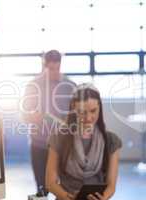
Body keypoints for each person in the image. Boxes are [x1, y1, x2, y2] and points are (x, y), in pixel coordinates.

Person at [45, 83, 122, 200]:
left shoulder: (111, 141)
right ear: (73, 109)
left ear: (99, 109)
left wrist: (102, 198)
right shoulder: (58, 138)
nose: (88, 118)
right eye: (82, 112)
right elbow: (50, 183)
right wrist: (70, 198)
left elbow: (111, 185)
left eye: (93, 111)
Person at [22, 50, 76, 196]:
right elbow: (24, 115)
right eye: (50, 69)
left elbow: (77, 118)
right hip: (39, 145)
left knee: (64, 190)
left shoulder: (70, 86)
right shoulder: (33, 86)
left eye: (57, 68)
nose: (53, 72)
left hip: (63, 146)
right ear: (43, 66)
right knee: (42, 189)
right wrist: (34, 117)